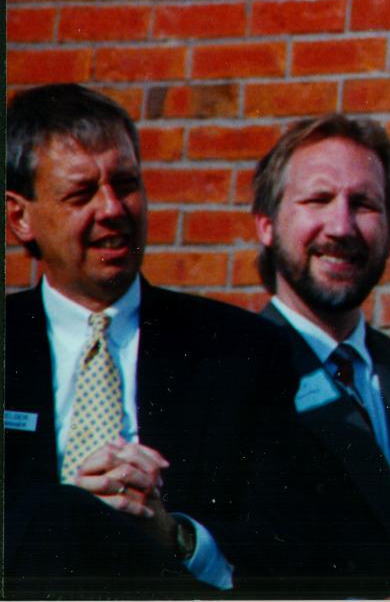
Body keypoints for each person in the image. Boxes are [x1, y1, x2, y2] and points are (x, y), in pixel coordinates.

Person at [3, 84, 333, 598]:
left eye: (126, 184)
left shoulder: (240, 352)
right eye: (81, 194)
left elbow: (291, 546)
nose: (112, 209)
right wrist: (69, 521)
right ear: (20, 217)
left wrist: (176, 536)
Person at [251, 114, 390, 596]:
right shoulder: (229, 376)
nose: (341, 226)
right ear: (266, 225)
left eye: (364, 204)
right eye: (319, 199)